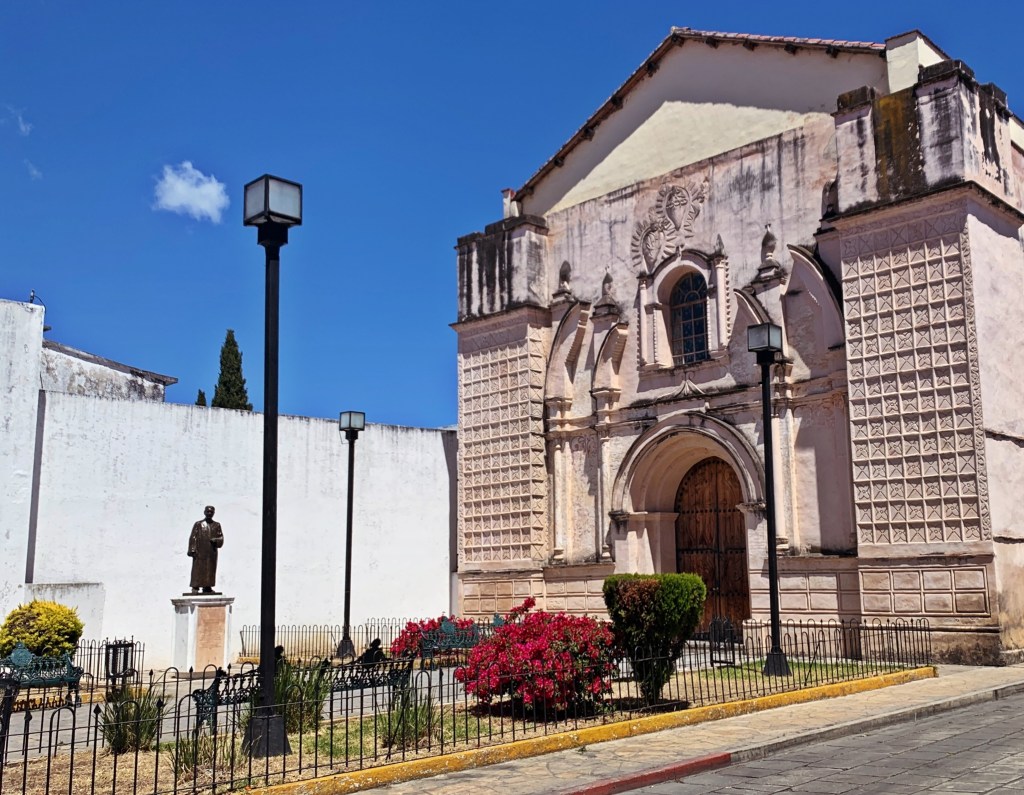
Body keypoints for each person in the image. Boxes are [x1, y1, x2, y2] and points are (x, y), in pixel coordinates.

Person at [187, 505, 224, 593]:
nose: (209, 513)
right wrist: (192, 549)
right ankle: (195, 587)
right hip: (200, 551)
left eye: (211, 512)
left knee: (210, 569)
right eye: (208, 511)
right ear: (204, 512)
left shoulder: (217, 525)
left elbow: (221, 537)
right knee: (198, 568)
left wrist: (216, 540)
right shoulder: (198, 524)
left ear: (214, 513)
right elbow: (193, 537)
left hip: (211, 552)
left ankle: (207, 587)